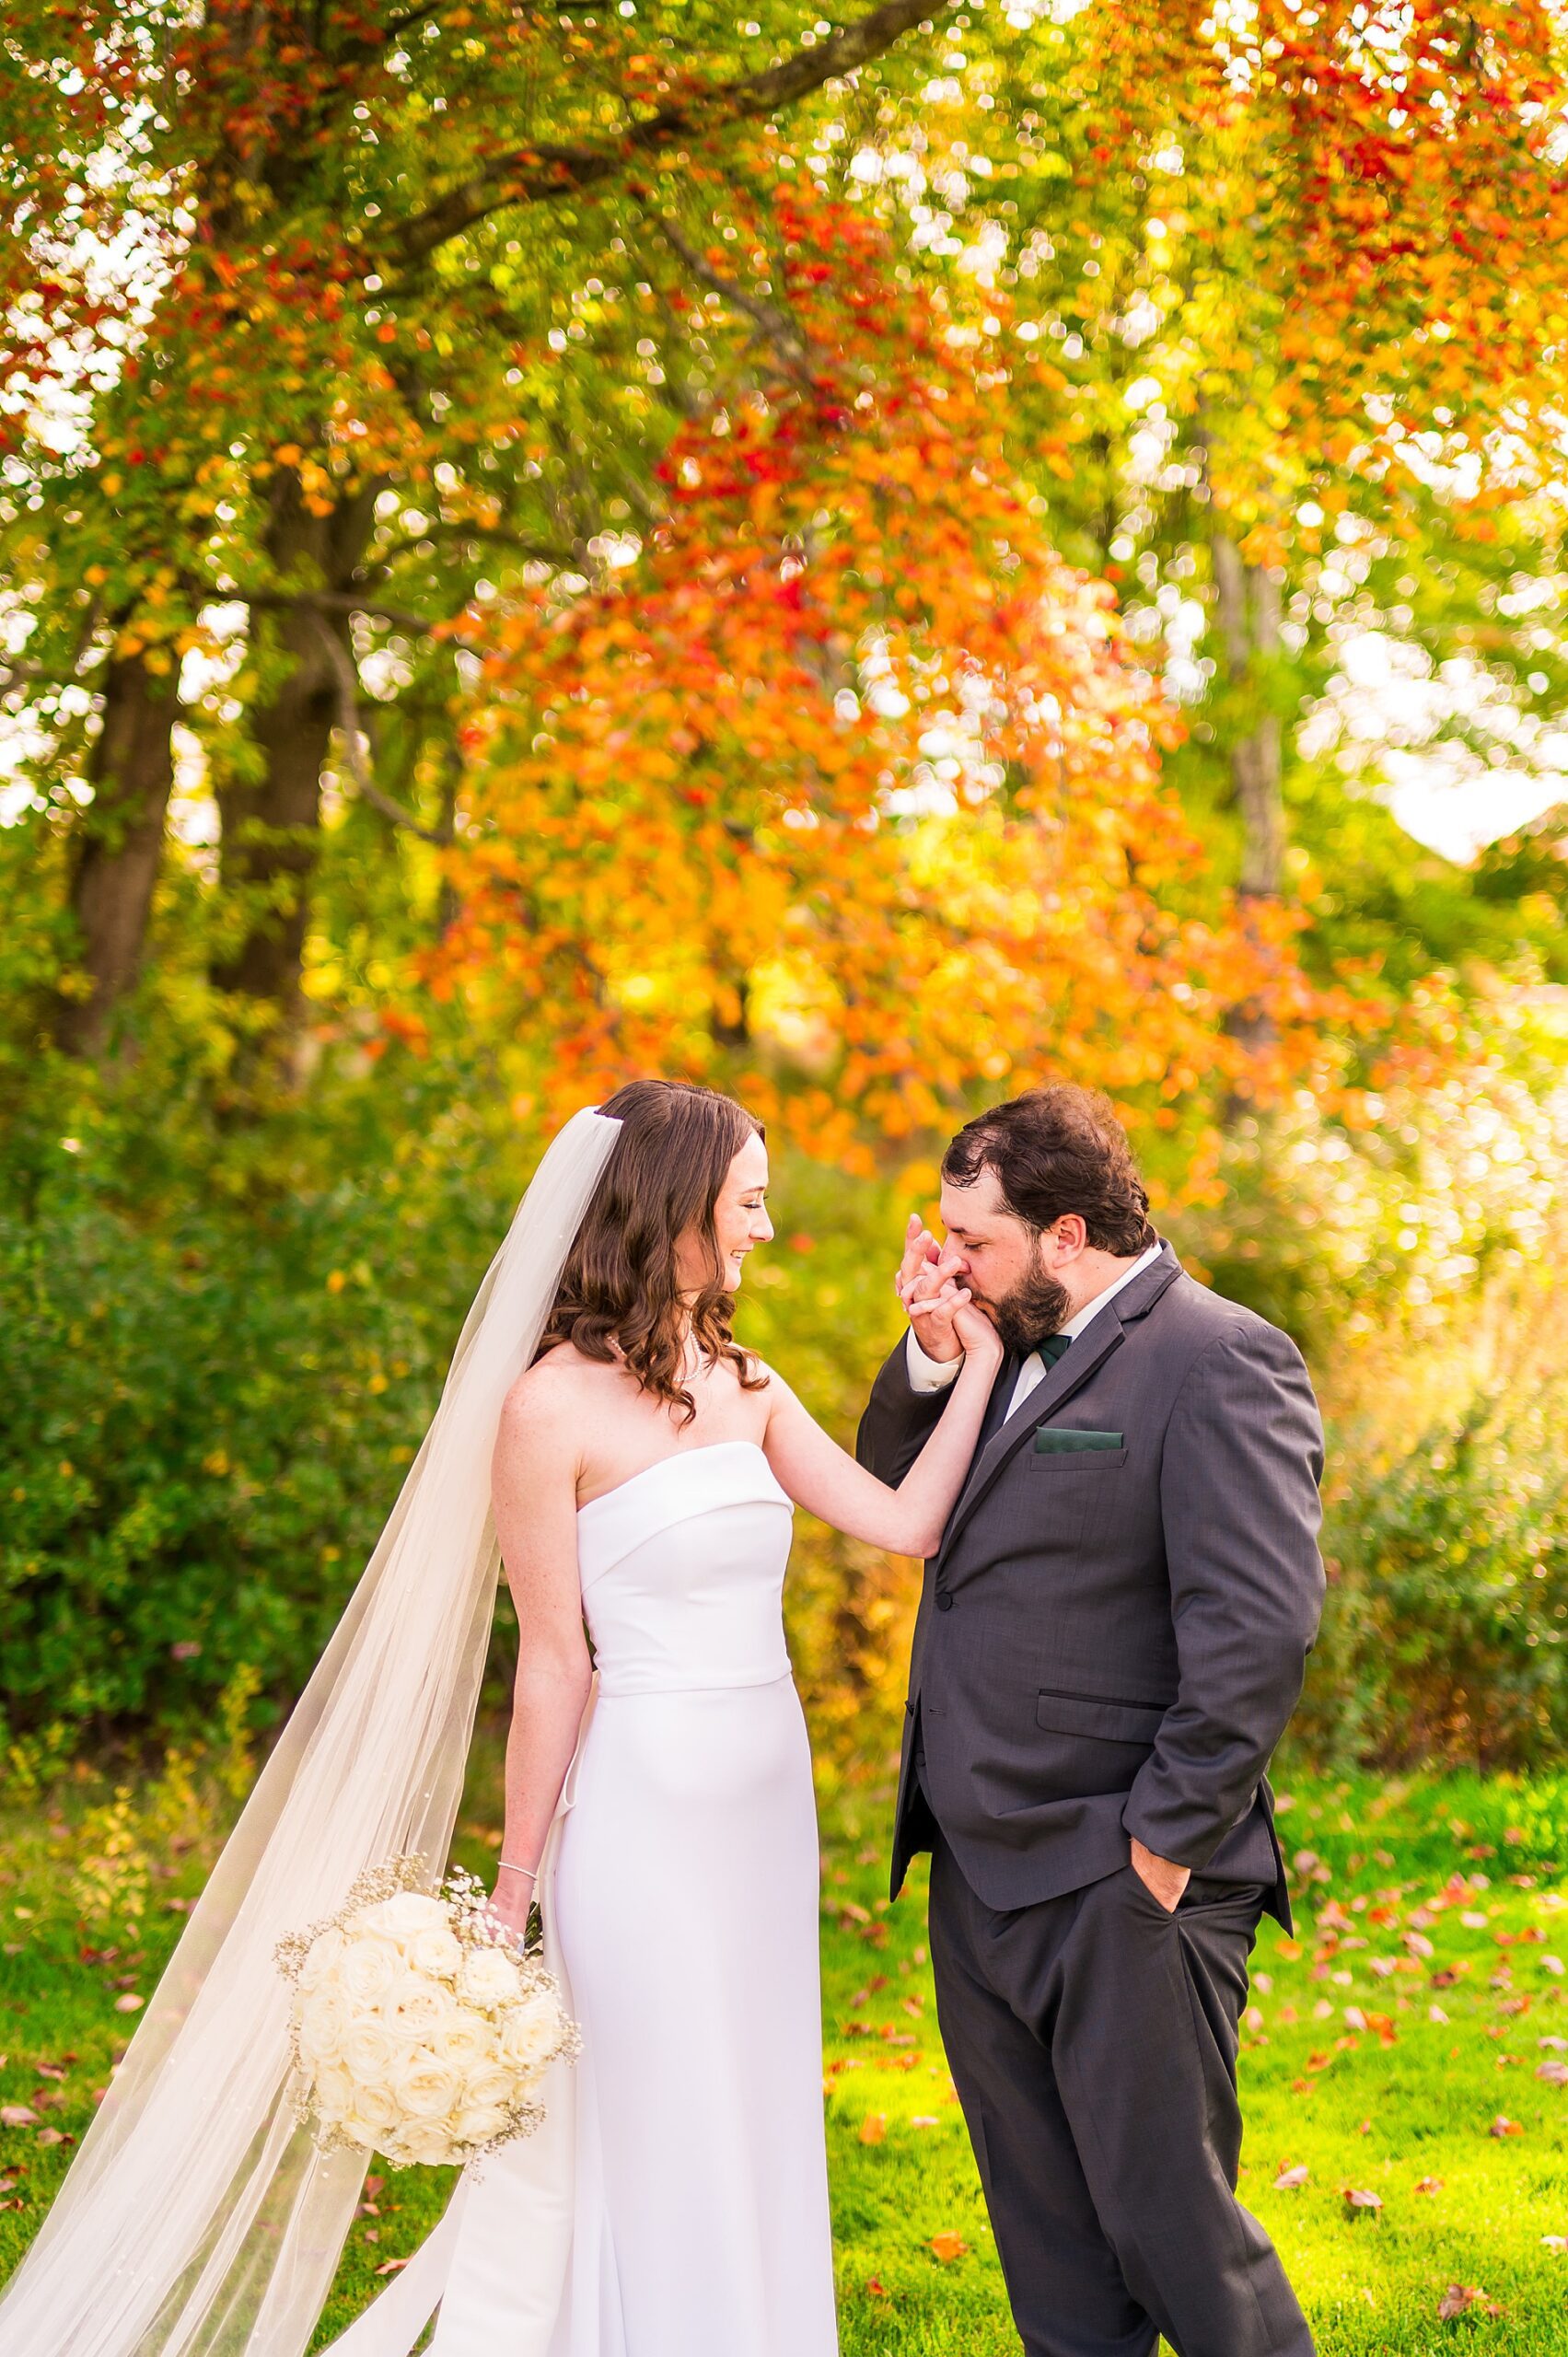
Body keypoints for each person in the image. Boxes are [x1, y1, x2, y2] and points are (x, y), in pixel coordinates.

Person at [0, 1079, 999, 2357]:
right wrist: (513, 1895)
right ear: (675, 1213)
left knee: (747, 2102)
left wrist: (966, 1366)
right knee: (647, 2114)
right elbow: (554, 1664)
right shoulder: (544, 1411)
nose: (762, 1229)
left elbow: (907, 1524)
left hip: (762, 1811)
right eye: (747, 1203)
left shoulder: (747, 1383)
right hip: (639, 1813)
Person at [857, 1083, 1326, 2357]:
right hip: (981, 1874)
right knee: (1055, 2268)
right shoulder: (997, 1345)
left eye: (976, 1243)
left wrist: (1157, 1855)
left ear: (1067, 1236)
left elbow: (1256, 1631)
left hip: (1123, 1879)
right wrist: (935, 1353)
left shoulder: (1220, 1357)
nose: (953, 1265)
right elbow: (896, 1499)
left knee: (1180, 2244)